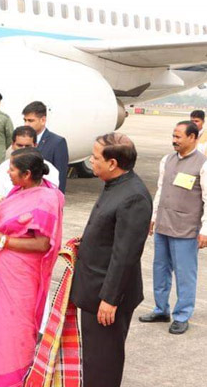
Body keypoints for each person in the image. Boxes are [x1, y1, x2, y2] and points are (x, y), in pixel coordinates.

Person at [0, 148, 64, 387]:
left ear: (27, 174)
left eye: (13, 169)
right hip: (1, 268)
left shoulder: (47, 198)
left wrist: (2, 240)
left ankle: (15, 378)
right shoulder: (18, 192)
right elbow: (6, 225)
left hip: (21, 275)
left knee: (15, 328)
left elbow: (44, 243)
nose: (8, 172)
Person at [71, 133, 152, 387]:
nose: (91, 161)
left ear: (113, 163)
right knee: (93, 360)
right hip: (95, 289)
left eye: (95, 158)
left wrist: (110, 299)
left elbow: (125, 254)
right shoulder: (115, 184)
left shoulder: (134, 196)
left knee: (103, 364)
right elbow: (109, 229)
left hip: (107, 297)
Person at [139, 121, 206, 335]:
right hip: (163, 225)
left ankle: (182, 314)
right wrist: (153, 217)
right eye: (173, 136)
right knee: (160, 270)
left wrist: (205, 230)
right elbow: (160, 191)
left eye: (179, 137)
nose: (174, 140)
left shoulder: (203, 164)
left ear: (193, 138)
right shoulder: (166, 160)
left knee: (185, 274)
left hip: (186, 229)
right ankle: (161, 309)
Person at [0, 126, 60, 199]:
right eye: (19, 145)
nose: (23, 149)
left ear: (35, 145)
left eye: (27, 146)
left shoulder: (50, 170)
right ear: (12, 145)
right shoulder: (3, 168)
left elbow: (51, 200)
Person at [22, 101, 68, 193]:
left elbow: (61, 177)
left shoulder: (57, 142)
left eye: (30, 120)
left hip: (46, 197)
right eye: (25, 120)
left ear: (43, 120)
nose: (26, 124)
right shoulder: (22, 141)